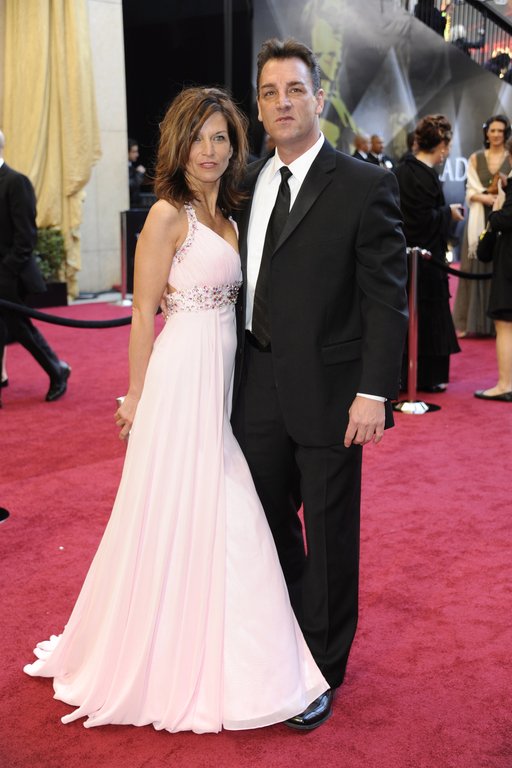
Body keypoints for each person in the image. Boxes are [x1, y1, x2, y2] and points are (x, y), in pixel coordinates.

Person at [24, 87, 328, 733]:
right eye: (198, 138)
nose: (209, 150)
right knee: (190, 508)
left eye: (220, 137)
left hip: (224, 381)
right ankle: (192, 659)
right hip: (180, 380)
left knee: (217, 509)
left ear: (235, 146)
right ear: (178, 145)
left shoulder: (233, 217)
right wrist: (136, 395)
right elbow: (142, 313)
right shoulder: (167, 215)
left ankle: (236, 654)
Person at [231, 38, 409, 730]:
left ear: (319, 99)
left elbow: (385, 299)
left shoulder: (363, 184)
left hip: (335, 392)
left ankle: (321, 669)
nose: (283, 102)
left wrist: (375, 392)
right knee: (263, 519)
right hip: (255, 382)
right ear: (258, 106)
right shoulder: (245, 183)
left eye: (295, 90)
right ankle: (289, 632)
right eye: (270, 92)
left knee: (331, 533)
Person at [0, 129, 70, 403]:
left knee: (20, 328)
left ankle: (57, 370)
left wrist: (5, 272)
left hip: (11, 275)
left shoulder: (16, 182)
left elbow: (26, 237)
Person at [394, 114, 463, 392]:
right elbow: (422, 220)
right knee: (428, 315)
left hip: (402, 262)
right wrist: (449, 213)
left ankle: (403, 376)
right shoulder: (425, 176)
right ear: (442, 146)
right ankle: (426, 377)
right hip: (425, 261)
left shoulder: (402, 170)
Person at [453, 115, 512, 337]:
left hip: (506, 218)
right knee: (473, 267)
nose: (496, 134)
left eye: (500, 130)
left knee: (502, 269)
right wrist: (486, 198)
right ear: (486, 133)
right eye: (492, 130)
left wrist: (501, 201)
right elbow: (470, 190)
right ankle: (469, 323)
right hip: (479, 219)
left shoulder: (510, 156)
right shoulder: (476, 158)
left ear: (506, 133)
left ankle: (500, 322)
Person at [474, 136, 512, 402]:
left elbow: (505, 219)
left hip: (509, 264)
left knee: (505, 324)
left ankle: (505, 384)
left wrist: (496, 210)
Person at [128, 137, 146, 208]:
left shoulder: (131, 166)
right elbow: (130, 186)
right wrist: (139, 174)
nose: (137, 155)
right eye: (134, 152)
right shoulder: (123, 168)